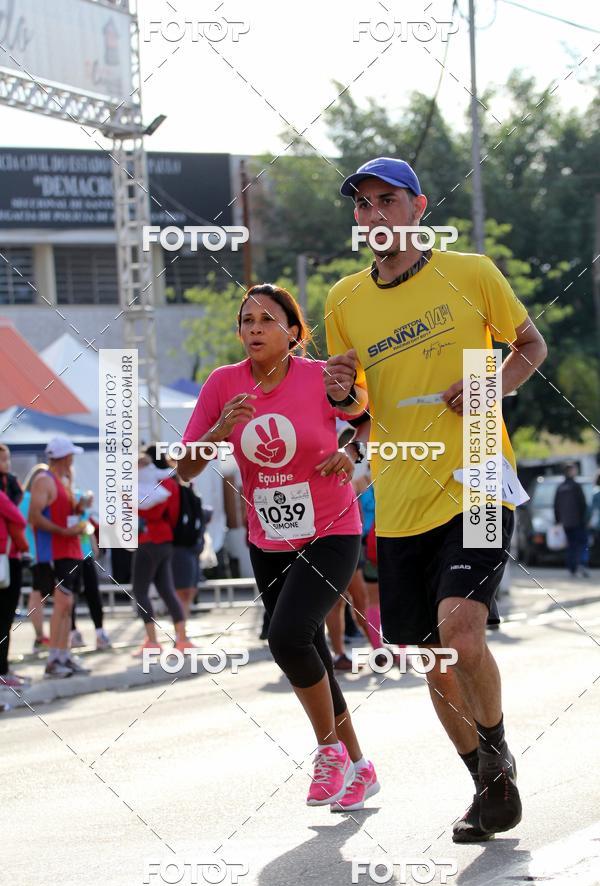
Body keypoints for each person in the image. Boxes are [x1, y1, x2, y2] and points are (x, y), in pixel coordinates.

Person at [325, 157, 547, 840]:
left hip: (478, 473)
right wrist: (340, 393)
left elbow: (530, 346)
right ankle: (487, 779)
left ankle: (498, 751)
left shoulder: (473, 273)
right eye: (363, 206)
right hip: (398, 496)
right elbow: (356, 406)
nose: (374, 215)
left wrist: (490, 387)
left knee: (460, 627)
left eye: (386, 201)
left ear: (419, 208)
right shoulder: (343, 301)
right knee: (431, 657)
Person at [178, 283, 379, 812]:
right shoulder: (223, 383)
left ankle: (328, 751)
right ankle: (360, 766)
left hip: (332, 526)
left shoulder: (320, 377)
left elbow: (368, 417)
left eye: (267, 320)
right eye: (246, 321)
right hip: (269, 537)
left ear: (294, 333)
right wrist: (219, 429)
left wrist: (352, 450)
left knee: (286, 638)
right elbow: (184, 467)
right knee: (305, 646)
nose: (254, 329)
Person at [28, 438, 90, 678]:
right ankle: (53, 659)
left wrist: (80, 507)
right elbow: (34, 516)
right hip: (54, 551)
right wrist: (63, 531)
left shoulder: (64, 480)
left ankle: (63, 655)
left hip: (70, 549)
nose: (73, 459)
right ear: (64, 457)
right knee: (62, 604)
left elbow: (64, 514)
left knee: (68, 605)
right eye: (71, 455)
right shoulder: (44, 480)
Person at [132, 452, 194, 657]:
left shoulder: (149, 488)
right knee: (167, 590)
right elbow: (173, 514)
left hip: (148, 540)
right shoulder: (170, 485)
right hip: (166, 540)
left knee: (140, 591)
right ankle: (182, 638)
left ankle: (152, 641)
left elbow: (146, 513)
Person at [0, 451, 30, 690]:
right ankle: (2, 671)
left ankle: (4, 669)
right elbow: (18, 519)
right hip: (6, 560)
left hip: (9, 558)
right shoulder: (3, 494)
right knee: (4, 618)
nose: (6, 464)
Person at [70, 489, 112, 650]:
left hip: (85, 555)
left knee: (93, 592)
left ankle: (100, 633)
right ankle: (72, 632)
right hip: (71, 555)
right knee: (71, 595)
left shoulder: (83, 507)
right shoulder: (67, 498)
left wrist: (94, 546)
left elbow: (88, 528)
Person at [19, 463, 51, 650]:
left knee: (38, 593)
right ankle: (40, 637)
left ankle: (40, 637)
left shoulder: (21, 498)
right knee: (38, 594)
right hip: (39, 553)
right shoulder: (35, 500)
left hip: (24, 552)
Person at [554, 463, 590, 577]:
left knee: (571, 545)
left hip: (566, 522)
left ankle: (572, 567)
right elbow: (583, 504)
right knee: (582, 543)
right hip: (578, 522)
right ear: (570, 472)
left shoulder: (560, 487)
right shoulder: (576, 486)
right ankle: (582, 564)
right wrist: (585, 519)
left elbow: (556, 506)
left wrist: (558, 521)